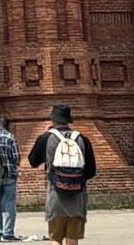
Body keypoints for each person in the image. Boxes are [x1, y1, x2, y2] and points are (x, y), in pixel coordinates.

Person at [27, 104, 97, 245]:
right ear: (68, 120)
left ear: (53, 120)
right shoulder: (82, 139)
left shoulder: (46, 138)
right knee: (72, 238)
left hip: (55, 195)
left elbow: (33, 161)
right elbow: (91, 171)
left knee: (55, 238)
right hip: (77, 196)